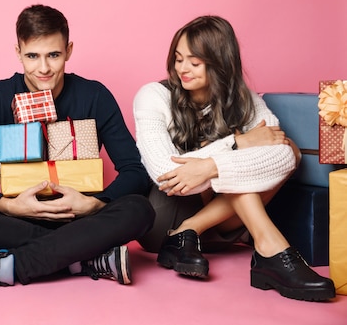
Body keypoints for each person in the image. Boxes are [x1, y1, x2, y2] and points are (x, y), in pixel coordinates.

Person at [0, 4, 155, 291]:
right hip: (19, 220)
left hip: (82, 219)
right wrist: (8, 205)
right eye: (33, 56)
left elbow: (134, 170)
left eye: (54, 55)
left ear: (68, 51)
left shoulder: (94, 96)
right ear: (18, 51)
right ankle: (83, 259)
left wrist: (94, 204)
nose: (44, 68)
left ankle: (3, 267)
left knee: (140, 210)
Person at [133, 15, 335, 301]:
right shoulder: (153, 96)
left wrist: (211, 166)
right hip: (164, 218)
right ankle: (273, 251)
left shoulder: (245, 98)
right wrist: (237, 143)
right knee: (245, 167)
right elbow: (167, 175)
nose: (183, 69)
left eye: (194, 61)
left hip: (221, 230)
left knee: (279, 152)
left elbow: (286, 154)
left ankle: (191, 231)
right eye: (178, 59)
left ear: (219, 62)